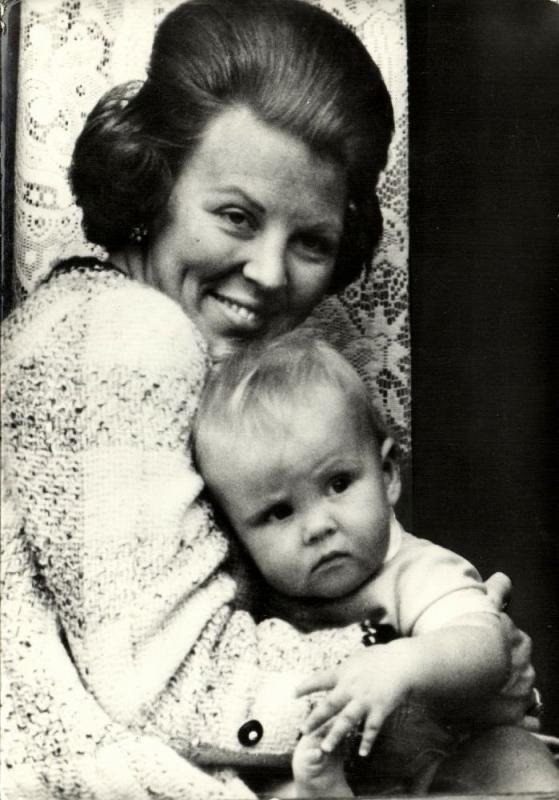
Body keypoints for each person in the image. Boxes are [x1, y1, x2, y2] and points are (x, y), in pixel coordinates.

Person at [0, 0, 540, 798]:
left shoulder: (96, 317)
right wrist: (434, 660)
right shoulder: (125, 338)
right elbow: (169, 685)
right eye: (235, 217)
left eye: (310, 241)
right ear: (154, 178)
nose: (269, 273)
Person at [193, 332, 559, 797]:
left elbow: (485, 646)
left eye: (339, 483)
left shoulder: (413, 570)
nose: (318, 526)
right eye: (279, 512)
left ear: (386, 475)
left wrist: (403, 663)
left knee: (515, 760)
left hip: (454, 755)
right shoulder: (259, 597)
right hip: (352, 771)